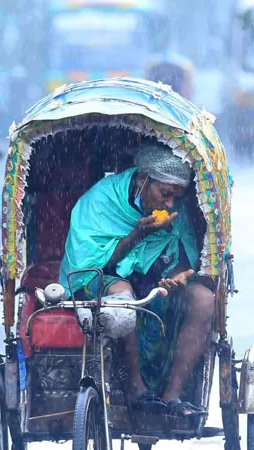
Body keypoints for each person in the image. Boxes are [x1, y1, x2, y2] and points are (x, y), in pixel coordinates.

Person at [58, 144, 214, 418]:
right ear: (143, 180)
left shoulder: (174, 210)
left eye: (176, 197)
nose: (170, 204)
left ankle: (172, 397)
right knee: (122, 291)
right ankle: (135, 389)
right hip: (101, 280)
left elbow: (178, 258)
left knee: (203, 299)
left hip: (154, 286)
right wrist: (136, 234)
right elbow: (93, 264)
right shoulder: (100, 201)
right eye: (165, 194)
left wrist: (175, 278)